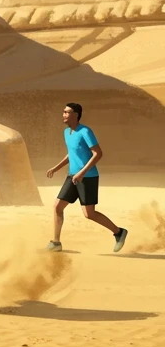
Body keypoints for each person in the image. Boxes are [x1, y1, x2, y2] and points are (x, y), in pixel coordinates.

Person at [46, 102, 127, 252]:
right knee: (58, 207)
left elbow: (98, 153)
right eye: (63, 112)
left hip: (87, 177)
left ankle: (119, 232)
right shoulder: (67, 132)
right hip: (73, 176)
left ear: (76, 115)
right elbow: (72, 153)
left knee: (89, 214)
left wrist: (82, 173)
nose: (64, 115)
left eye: (67, 112)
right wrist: (56, 168)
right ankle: (56, 242)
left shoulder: (85, 131)